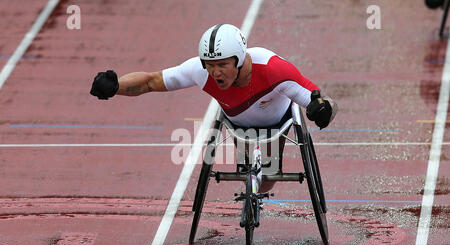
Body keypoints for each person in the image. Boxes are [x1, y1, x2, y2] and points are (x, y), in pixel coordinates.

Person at [90, 24, 338, 192]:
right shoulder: (201, 72)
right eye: (209, 64)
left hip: (276, 124)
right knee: (249, 178)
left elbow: (321, 100)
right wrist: (115, 86)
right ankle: (252, 189)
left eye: (222, 65)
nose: (215, 72)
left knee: (266, 181)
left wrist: (324, 110)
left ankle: (261, 184)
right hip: (237, 124)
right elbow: (151, 81)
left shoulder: (274, 69)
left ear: (239, 60)